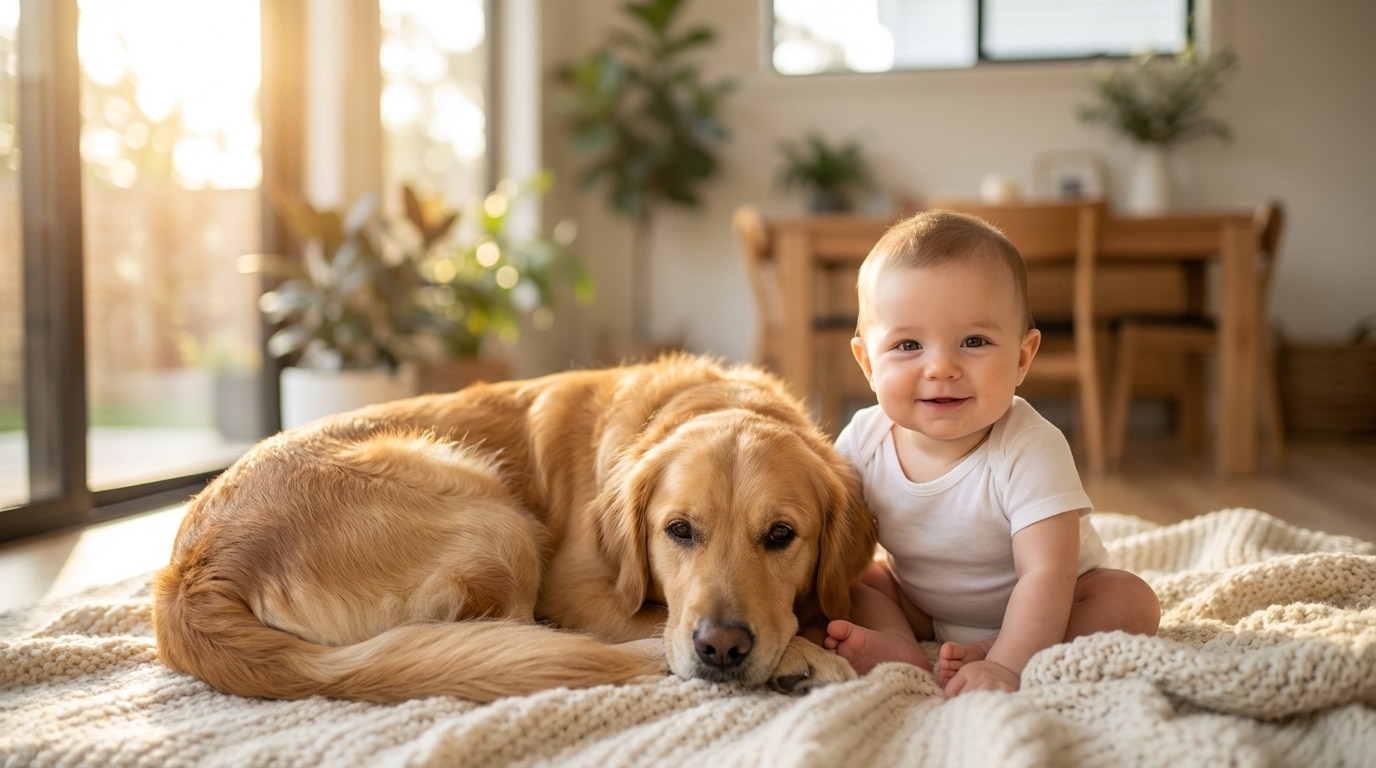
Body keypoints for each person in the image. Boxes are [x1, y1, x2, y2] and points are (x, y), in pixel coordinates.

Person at [823, 210, 1160, 698]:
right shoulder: (865, 440)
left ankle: (1005, 649)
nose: (941, 367)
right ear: (868, 363)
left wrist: (1007, 664)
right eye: (909, 344)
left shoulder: (1029, 446)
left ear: (1022, 358)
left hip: (1054, 603)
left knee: (1129, 600)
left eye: (974, 341)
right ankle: (900, 644)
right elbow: (827, 524)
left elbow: (1047, 573)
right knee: (859, 582)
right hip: (923, 603)